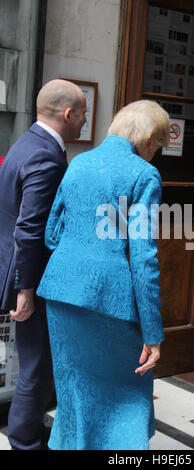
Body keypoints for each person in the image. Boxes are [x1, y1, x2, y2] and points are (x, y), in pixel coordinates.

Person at [37, 100, 170, 450]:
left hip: (61, 292)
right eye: (157, 145)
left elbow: (52, 233)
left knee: (74, 390)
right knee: (126, 393)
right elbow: (143, 257)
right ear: (148, 140)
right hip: (109, 303)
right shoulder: (144, 174)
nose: (155, 153)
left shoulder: (79, 162)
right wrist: (153, 333)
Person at [0, 79, 87, 450]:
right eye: (83, 114)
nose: (85, 121)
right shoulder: (46, 156)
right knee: (36, 367)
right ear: (68, 114)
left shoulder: (26, 143)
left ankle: (27, 431)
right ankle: (24, 441)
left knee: (36, 363)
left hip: (19, 268)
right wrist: (25, 289)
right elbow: (30, 227)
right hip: (29, 277)